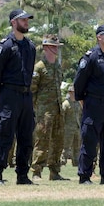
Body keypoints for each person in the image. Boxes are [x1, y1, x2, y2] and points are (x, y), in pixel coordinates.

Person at [0, 10, 36, 185]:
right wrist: (2, 93)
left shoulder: (30, 46)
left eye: (27, 20)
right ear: (13, 23)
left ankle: (22, 175)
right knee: (5, 134)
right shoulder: (5, 46)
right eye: (23, 20)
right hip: (9, 94)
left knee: (26, 136)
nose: (26, 23)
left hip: (26, 95)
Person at [74, 25, 104, 185]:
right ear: (99, 37)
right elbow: (79, 82)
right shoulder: (91, 57)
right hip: (93, 103)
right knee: (90, 141)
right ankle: (84, 175)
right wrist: (83, 101)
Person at [31, 35, 67, 181]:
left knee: (58, 141)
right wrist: (38, 108)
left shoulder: (57, 66)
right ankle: (36, 171)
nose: (55, 49)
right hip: (44, 111)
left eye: (57, 47)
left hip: (58, 109)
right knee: (42, 140)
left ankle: (54, 171)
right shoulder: (39, 67)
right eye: (52, 46)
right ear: (45, 48)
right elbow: (32, 90)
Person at [61, 85, 80, 167]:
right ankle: (63, 161)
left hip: (77, 127)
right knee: (66, 146)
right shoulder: (65, 104)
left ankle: (76, 162)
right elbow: (62, 117)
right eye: (72, 92)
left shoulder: (78, 103)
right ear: (69, 93)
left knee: (77, 146)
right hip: (67, 129)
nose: (73, 94)